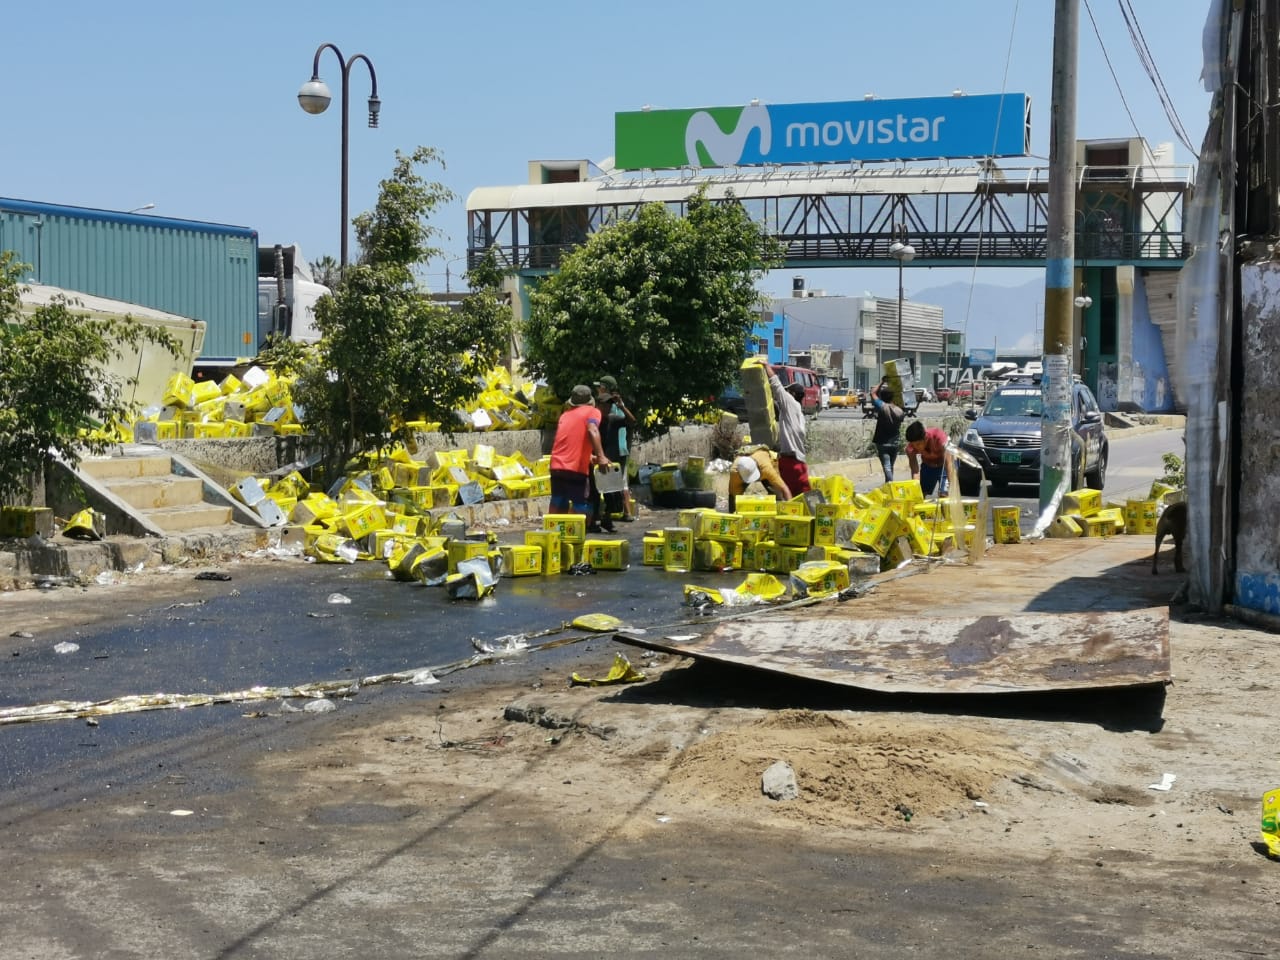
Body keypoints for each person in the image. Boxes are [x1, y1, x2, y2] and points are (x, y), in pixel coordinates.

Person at [549, 384, 610, 524]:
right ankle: (577, 538)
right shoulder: (592, 411)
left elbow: (567, 441)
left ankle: (553, 536)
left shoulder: (565, 415)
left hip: (556, 466)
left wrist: (589, 457)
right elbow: (592, 430)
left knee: (558, 502)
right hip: (575, 469)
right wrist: (601, 456)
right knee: (581, 505)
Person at [592, 375, 638, 526]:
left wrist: (621, 406)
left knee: (614, 487)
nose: (606, 407)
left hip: (614, 455)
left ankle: (610, 515)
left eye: (608, 405)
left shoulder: (614, 416)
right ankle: (597, 517)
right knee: (598, 487)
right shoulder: (594, 419)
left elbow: (632, 422)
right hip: (600, 457)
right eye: (603, 405)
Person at [766, 362, 811, 496]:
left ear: (792, 394)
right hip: (800, 462)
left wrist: (765, 366)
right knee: (803, 499)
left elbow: (776, 386)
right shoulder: (799, 413)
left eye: (788, 392)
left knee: (788, 499)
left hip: (790, 463)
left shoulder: (790, 403)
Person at [728, 448, 792, 513]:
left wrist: (790, 509)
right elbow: (733, 495)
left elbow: (784, 488)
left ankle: (778, 513)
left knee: (778, 494)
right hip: (745, 472)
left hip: (766, 466)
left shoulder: (767, 469)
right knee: (733, 499)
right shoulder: (735, 472)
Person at [904, 420, 953, 497]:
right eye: (913, 444)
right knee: (920, 494)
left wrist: (952, 485)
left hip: (944, 465)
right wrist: (916, 490)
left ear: (925, 438)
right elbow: (915, 471)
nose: (915, 447)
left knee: (944, 495)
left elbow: (949, 464)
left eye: (918, 444)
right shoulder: (910, 449)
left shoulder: (939, 438)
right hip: (928, 465)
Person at [870, 382, 905, 483]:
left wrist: (881, 382)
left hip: (882, 442)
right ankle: (889, 486)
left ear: (882, 397)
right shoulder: (899, 411)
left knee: (886, 465)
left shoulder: (882, 406)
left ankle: (889, 482)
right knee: (891, 466)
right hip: (895, 442)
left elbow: (873, 393)